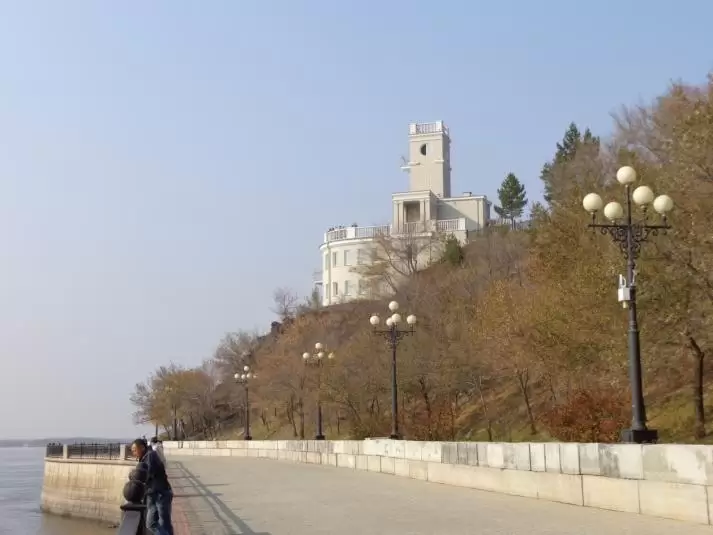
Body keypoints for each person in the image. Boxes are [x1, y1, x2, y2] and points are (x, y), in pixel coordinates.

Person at [130, 438, 174, 535]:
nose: (133, 453)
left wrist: (135, 476)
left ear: (142, 448)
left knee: (158, 524)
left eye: (134, 450)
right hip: (155, 494)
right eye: (132, 451)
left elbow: (147, 474)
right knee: (158, 524)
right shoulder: (146, 456)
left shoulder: (150, 456)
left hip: (160, 494)